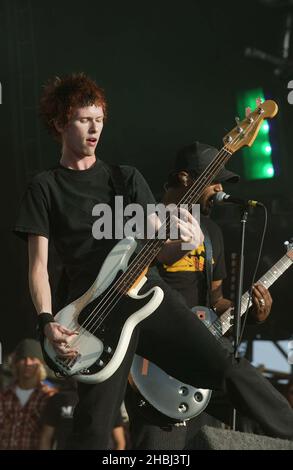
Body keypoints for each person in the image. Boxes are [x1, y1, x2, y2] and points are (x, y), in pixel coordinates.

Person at [14, 73, 293, 449]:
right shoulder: (45, 187)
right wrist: (46, 321)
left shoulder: (124, 178)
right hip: (92, 313)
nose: (95, 128)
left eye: (99, 119)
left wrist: (184, 243)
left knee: (228, 369)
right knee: (95, 427)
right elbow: (38, 266)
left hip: (146, 295)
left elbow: (158, 246)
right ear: (60, 123)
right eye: (84, 119)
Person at [125, 141, 273, 449]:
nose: (220, 189)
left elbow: (215, 301)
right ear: (184, 178)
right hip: (154, 361)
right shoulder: (147, 219)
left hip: (198, 357)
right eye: (214, 180)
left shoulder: (211, 232)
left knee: (240, 420)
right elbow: (130, 289)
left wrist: (252, 311)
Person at [0, 338, 56, 450]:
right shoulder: (4, 396)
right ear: (15, 363)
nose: (28, 363)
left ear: (40, 363)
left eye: (32, 358)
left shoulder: (49, 396)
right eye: (23, 359)